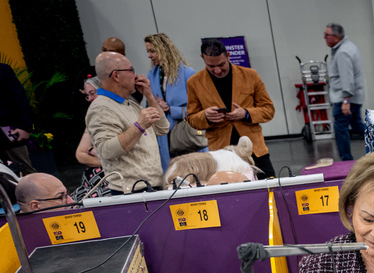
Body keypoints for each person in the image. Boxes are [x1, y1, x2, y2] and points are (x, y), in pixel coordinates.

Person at [186, 39, 276, 178]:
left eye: (221, 64)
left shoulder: (250, 75)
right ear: (202, 58)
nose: (217, 70)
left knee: (270, 187)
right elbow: (191, 118)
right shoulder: (194, 82)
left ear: (228, 55)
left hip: (255, 149)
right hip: (221, 153)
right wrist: (205, 116)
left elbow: (269, 110)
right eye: (211, 66)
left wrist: (246, 113)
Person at [86, 51, 169, 192]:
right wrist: (139, 126)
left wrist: (149, 95)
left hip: (151, 186)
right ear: (116, 75)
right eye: (131, 70)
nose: (135, 76)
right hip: (132, 192)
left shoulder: (130, 102)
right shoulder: (100, 108)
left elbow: (163, 128)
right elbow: (106, 151)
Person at [145, 33, 199, 170]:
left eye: (152, 51)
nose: (149, 56)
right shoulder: (151, 75)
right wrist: (155, 106)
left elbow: (199, 110)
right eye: (148, 51)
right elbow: (148, 107)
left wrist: (171, 110)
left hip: (185, 137)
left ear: (164, 49)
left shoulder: (188, 73)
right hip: (163, 138)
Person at [324, 24, 365, 162]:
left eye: (327, 35)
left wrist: (346, 101)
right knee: (358, 126)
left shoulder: (343, 52)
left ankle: (346, 161)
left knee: (341, 129)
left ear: (336, 37)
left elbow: (347, 78)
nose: (324, 38)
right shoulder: (348, 47)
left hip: (345, 99)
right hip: (351, 97)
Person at [0, 62, 35, 174]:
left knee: (25, 172)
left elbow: (19, 98)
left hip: (8, 132)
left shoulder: (3, 70)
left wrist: (24, 126)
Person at [76, 76, 102, 170]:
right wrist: (109, 165)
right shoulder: (94, 118)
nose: (90, 99)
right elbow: (80, 155)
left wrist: (93, 152)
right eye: (87, 96)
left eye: (92, 93)